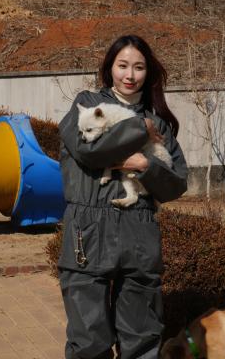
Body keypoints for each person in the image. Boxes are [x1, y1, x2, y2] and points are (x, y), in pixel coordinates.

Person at [57, 35, 188, 359]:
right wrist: (140, 129)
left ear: (149, 73)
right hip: (88, 233)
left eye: (139, 67)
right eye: (123, 65)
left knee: (143, 339)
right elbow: (90, 150)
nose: (130, 75)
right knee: (88, 342)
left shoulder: (158, 122)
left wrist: (145, 165)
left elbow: (177, 184)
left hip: (139, 233)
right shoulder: (86, 106)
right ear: (109, 68)